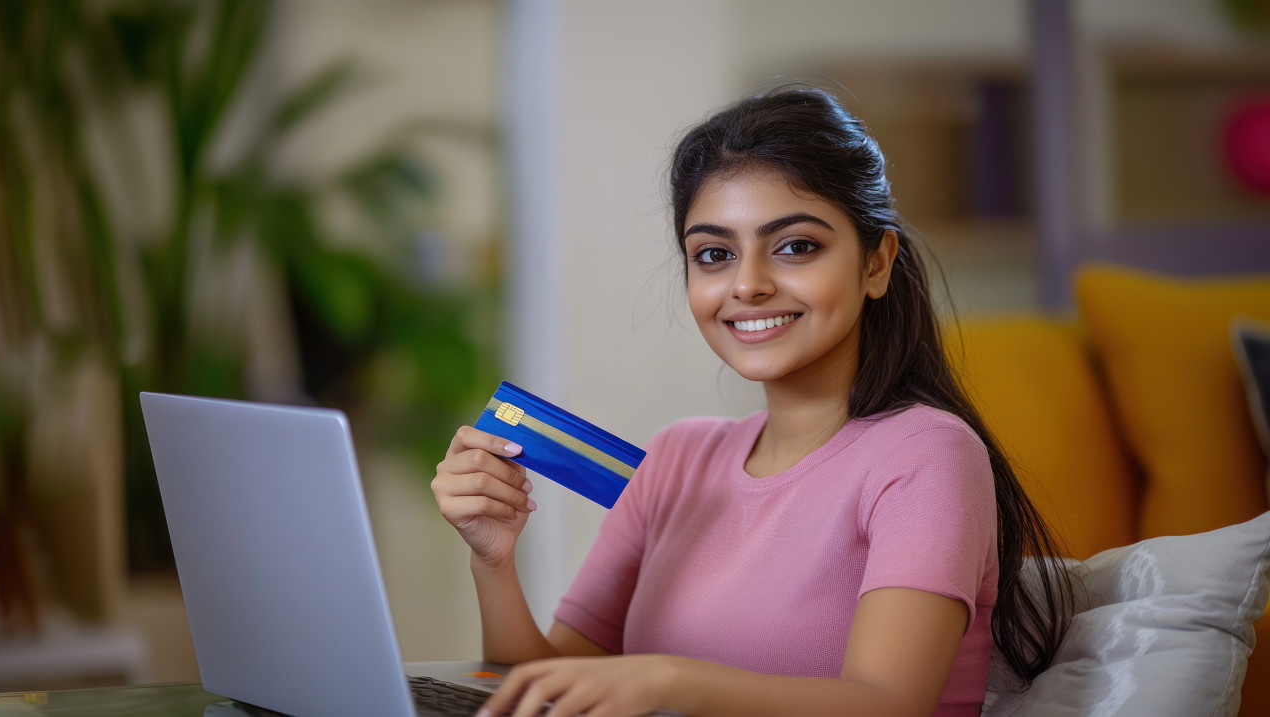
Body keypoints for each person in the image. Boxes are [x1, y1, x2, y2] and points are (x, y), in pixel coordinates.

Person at [431, 84, 1074, 717]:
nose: (748, 284)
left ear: (876, 263)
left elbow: (888, 705)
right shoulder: (675, 459)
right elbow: (540, 694)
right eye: (714, 254)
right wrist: (494, 560)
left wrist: (671, 683)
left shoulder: (926, 452)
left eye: (795, 246)